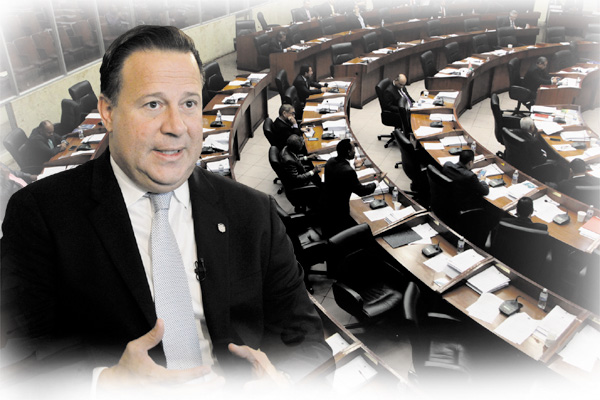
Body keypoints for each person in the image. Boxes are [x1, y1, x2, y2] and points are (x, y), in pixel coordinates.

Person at [1, 25, 332, 399]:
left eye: (189, 103)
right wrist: (106, 383)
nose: (176, 127)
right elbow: (17, 361)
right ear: (108, 112)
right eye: (153, 104)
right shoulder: (40, 216)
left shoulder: (251, 211)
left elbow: (307, 341)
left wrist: (283, 384)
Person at [321, 139, 376, 238]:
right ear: (348, 152)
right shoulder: (348, 171)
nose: (355, 151)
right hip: (339, 212)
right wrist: (377, 182)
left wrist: (356, 167)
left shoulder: (330, 161)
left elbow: (342, 177)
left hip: (326, 206)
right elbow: (361, 191)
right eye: (353, 149)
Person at [0, 162, 36, 237]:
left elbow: (13, 173)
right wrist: (6, 177)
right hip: (18, 205)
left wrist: (30, 176)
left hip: (26, 192)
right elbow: (3, 195)